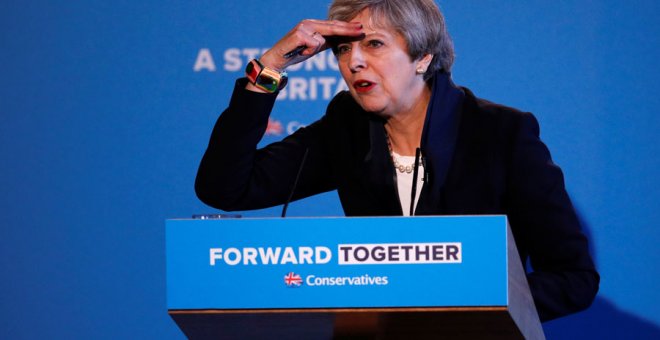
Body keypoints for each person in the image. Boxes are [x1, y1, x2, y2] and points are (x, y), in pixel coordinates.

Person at [195, 0, 599, 322]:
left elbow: (573, 279)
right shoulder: (346, 127)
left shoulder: (500, 133)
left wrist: (476, 305)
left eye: (373, 44)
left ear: (422, 56)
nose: (353, 62)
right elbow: (225, 188)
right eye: (342, 49)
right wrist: (269, 69)